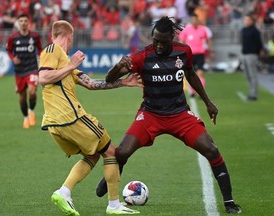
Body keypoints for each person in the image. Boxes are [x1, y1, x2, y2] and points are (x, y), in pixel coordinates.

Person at [95, 16, 242, 214]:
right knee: (121, 152)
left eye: (163, 42)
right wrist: (117, 66)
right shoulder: (142, 56)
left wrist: (208, 101)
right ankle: (110, 177)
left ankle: (230, 202)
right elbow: (110, 78)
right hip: (150, 115)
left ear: (172, 38)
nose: (158, 45)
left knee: (212, 150)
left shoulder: (184, 51)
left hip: (180, 115)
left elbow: (190, 74)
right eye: (155, 40)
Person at [38, 20, 141, 215]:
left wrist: (123, 83)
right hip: (71, 116)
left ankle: (64, 192)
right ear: (70, 36)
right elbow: (43, 78)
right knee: (111, 151)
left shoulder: (66, 62)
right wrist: (72, 65)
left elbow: (92, 84)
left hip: (56, 122)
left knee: (93, 154)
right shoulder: (52, 50)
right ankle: (114, 205)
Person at [6, 14, 42, 128]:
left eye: (25, 21)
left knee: (32, 92)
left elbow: (40, 49)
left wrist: (41, 59)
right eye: (21, 21)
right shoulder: (13, 38)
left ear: (28, 23)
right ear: (18, 23)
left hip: (32, 68)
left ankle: (31, 111)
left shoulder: (35, 36)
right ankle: (26, 118)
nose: (23, 23)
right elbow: (9, 50)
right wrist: (13, 58)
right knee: (22, 97)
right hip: (19, 70)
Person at [178, 12, 213, 97]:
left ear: (198, 20)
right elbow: (181, 41)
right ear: (191, 20)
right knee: (190, 74)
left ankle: (201, 92)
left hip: (200, 54)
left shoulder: (202, 29)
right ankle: (192, 91)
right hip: (190, 55)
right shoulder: (187, 30)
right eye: (193, 20)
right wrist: (181, 52)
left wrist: (211, 51)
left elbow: (208, 41)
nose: (194, 21)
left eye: (196, 20)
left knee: (200, 73)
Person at [241, 12, 264, 101]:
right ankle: (251, 92)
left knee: (252, 75)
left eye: (247, 20)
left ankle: (254, 94)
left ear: (251, 21)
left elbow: (259, 43)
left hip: (252, 54)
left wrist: (258, 52)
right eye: (245, 20)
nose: (246, 21)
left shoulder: (255, 31)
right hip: (244, 54)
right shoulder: (243, 30)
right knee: (247, 75)